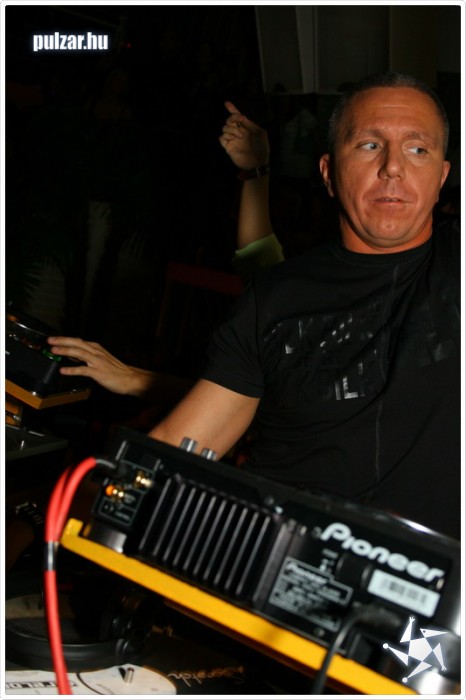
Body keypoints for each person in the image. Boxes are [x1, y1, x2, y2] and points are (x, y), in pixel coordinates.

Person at [50, 73, 459, 540]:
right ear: (328, 172)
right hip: (278, 554)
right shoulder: (273, 298)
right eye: (369, 145)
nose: (392, 167)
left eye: (418, 149)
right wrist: (66, 515)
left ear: (443, 177)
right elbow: (182, 441)